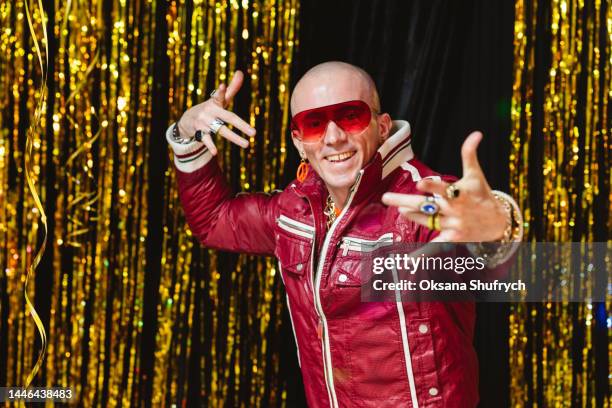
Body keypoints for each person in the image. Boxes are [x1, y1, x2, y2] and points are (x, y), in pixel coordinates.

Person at [165, 62, 522, 408]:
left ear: (382, 127)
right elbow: (213, 220)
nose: (334, 138)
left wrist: (494, 226)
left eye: (350, 116)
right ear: (299, 141)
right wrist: (186, 134)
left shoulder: (420, 202)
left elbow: (509, 270)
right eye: (314, 124)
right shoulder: (294, 210)